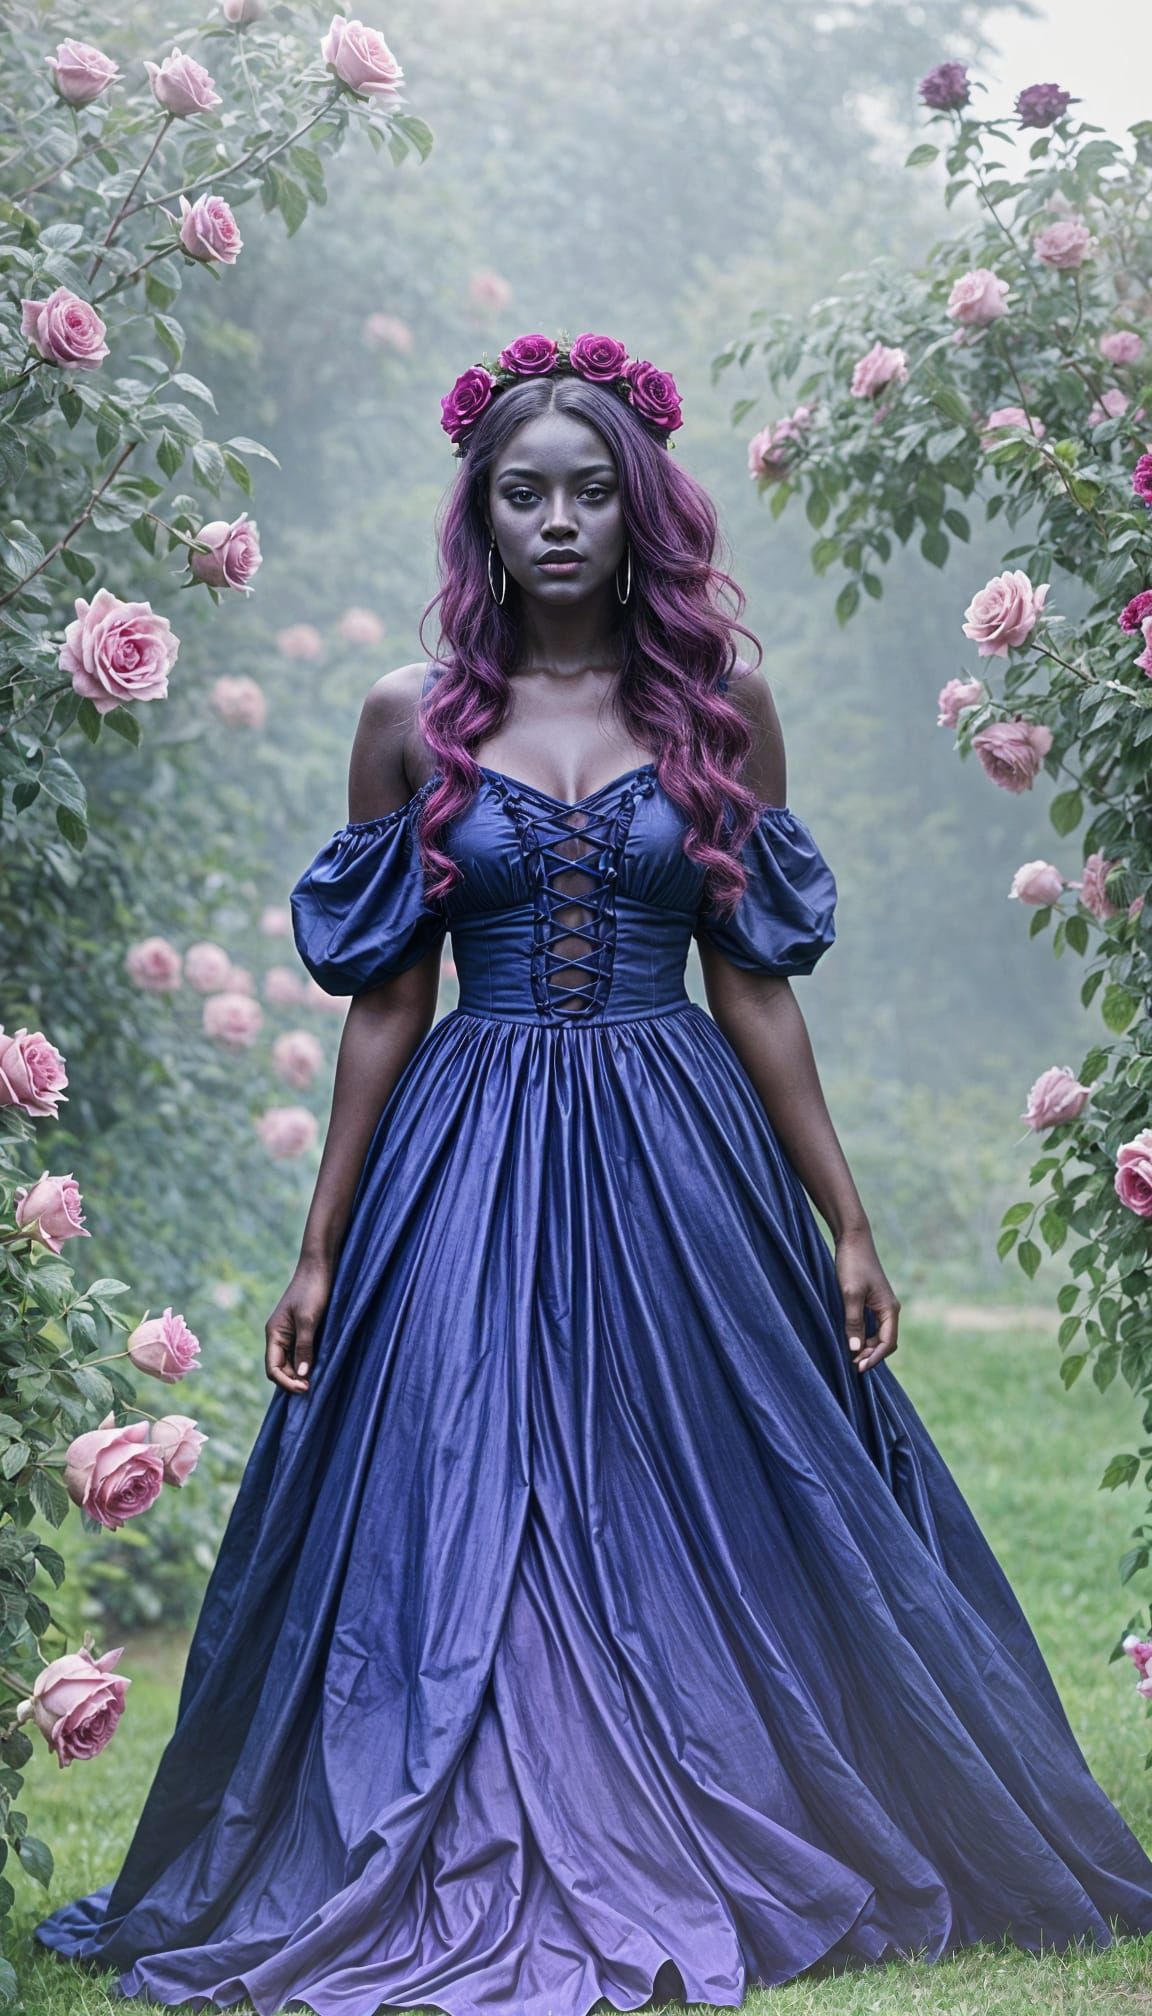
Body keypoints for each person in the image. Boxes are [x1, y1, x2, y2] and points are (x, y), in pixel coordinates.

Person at [36, 330, 1152, 2014]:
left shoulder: (716, 712)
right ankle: (468, 1786)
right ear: (480, 515)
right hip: (463, 1156)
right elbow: (389, 997)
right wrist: (321, 1247)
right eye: (523, 493)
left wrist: (845, 1217)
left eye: (590, 494)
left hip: (674, 1147)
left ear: (640, 516)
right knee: (467, 1488)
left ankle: (715, 1777)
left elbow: (751, 981)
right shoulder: (408, 720)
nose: (558, 520)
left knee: (692, 1485)